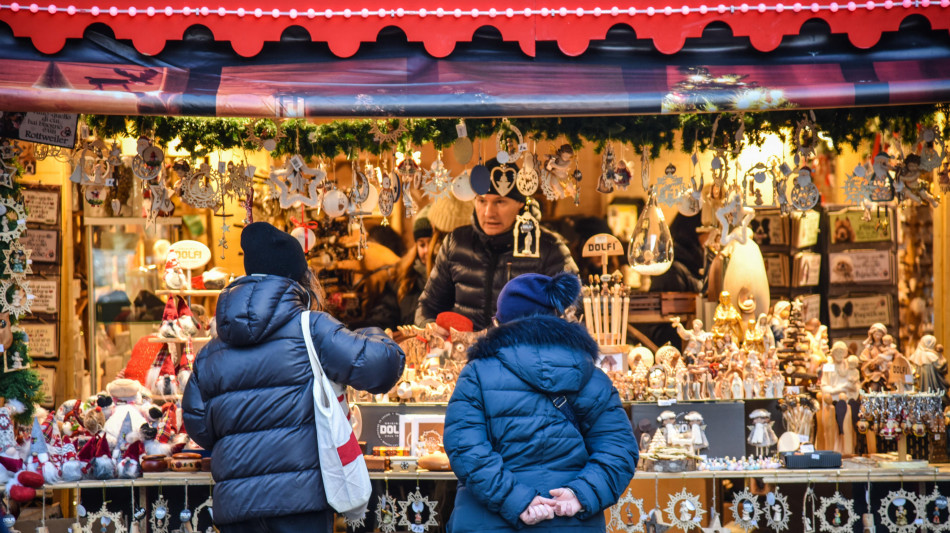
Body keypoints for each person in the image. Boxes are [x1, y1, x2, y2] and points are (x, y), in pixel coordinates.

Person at [182, 222, 405, 533]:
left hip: (236, 508)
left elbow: (199, 426)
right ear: (299, 277)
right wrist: (372, 333)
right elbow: (380, 367)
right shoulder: (312, 328)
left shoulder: (212, 352)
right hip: (301, 504)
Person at [443, 272, 638, 532]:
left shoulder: (477, 373)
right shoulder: (593, 376)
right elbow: (619, 449)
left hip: (489, 521)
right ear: (558, 320)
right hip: (570, 522)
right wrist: (580, 494)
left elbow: (465, 448)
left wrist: (516, 499)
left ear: (499, 323)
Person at [416, 158, 577, 331]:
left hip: (522, 354)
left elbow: (573, 312)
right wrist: (431, 330)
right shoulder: (455, 243)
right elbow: (427, 307)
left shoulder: (549, 248)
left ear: (520, 204)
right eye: (482, 201)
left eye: (500, 202)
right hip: (463, 353)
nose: (488, 212)